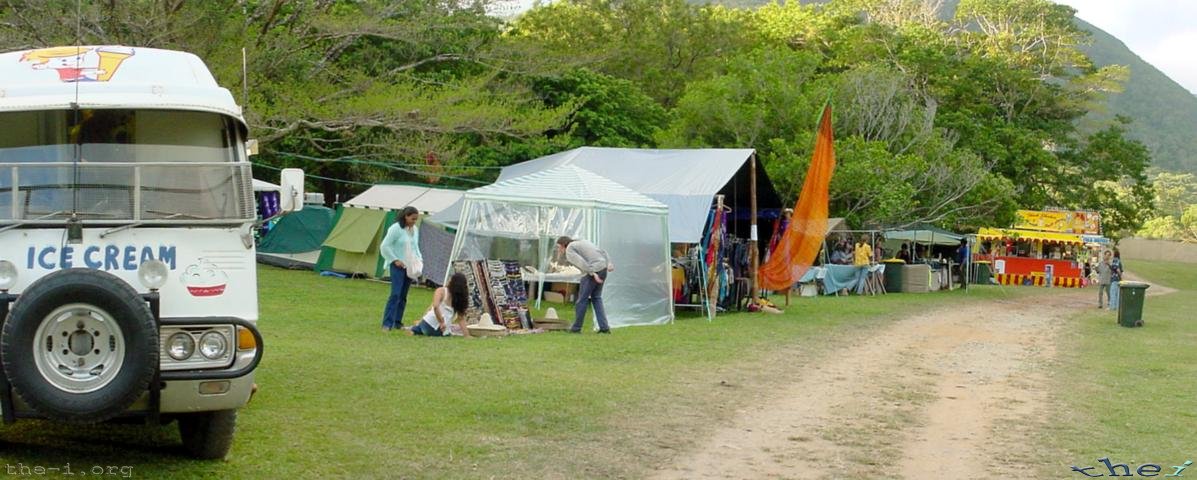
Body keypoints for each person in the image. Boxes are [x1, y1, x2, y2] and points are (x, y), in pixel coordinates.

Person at [557, 236, 613, 334]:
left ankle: (576, 329)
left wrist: (592, 273)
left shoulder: (570, 248)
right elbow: (602, 251)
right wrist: (609, 263)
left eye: (559, 247)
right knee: (596, 298)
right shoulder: (582, 241)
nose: (559, 250)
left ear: (563, 245)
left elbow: (580, 262)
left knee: (582, 300)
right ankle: (604, 328)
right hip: (603, 268)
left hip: (593, 271)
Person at [379, 206, 422, 332]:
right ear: (406, 216)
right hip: (397, 265)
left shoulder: (414, 229)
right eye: (412, 219)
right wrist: (395, 259)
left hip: (410, 266)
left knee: (403, 295)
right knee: (395, 294)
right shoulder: (396, 229)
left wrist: (419, 259)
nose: (414, 221)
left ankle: (397, 322)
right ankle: (387, 323)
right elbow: (385, 246)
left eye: (416, 219)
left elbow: (415, 246)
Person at [409, 273, 470, 337]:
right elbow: (461, 319)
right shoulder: (460, 299)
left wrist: (441, 322)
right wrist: (467, 335)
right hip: (441, 329)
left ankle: (415, 329)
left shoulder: (441, 291)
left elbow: (435, 307)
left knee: (422, 326)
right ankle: (417, 329)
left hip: (427, 323)